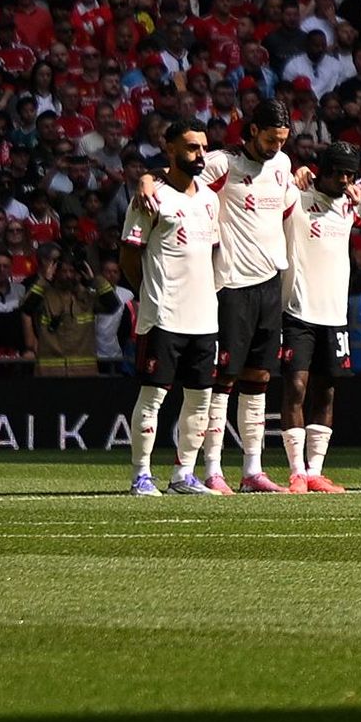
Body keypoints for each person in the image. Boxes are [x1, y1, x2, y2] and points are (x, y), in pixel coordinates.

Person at [120, 117, 229, 496]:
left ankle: (183, 474)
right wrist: (148, 291)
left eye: (202, 147)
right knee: (153, 396)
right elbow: (129, 256)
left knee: (200, 399)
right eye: (191, 147)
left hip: (204, 316)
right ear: (170, 149)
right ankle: (141, 474)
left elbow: (213, 253)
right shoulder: (150, 197)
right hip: (163, 314)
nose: (199, 154)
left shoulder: (210, 199)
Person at [206, 102, 301, 492]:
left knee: (259, 378)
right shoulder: (221, 164)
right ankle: (212, 469)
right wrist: (149, 180)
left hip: (269, 285)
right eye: (269, 138)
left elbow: (287, 209)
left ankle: (252, 470)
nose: (275, 146)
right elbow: (175, 179)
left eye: (281, 139)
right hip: (231, 285)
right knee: (224, 378)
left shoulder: (281, 166)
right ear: (251, 131)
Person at [274, 142, 361, 492]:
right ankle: (296, 470)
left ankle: (315, 471)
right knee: (296, 386)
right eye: (338, 172)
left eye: (350, 173)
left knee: (326, 391)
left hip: (335, 314)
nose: (344, 179)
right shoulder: (296, 199)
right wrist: (299, 173)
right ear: (322, 170)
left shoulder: (349, 203)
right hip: (297, 310)